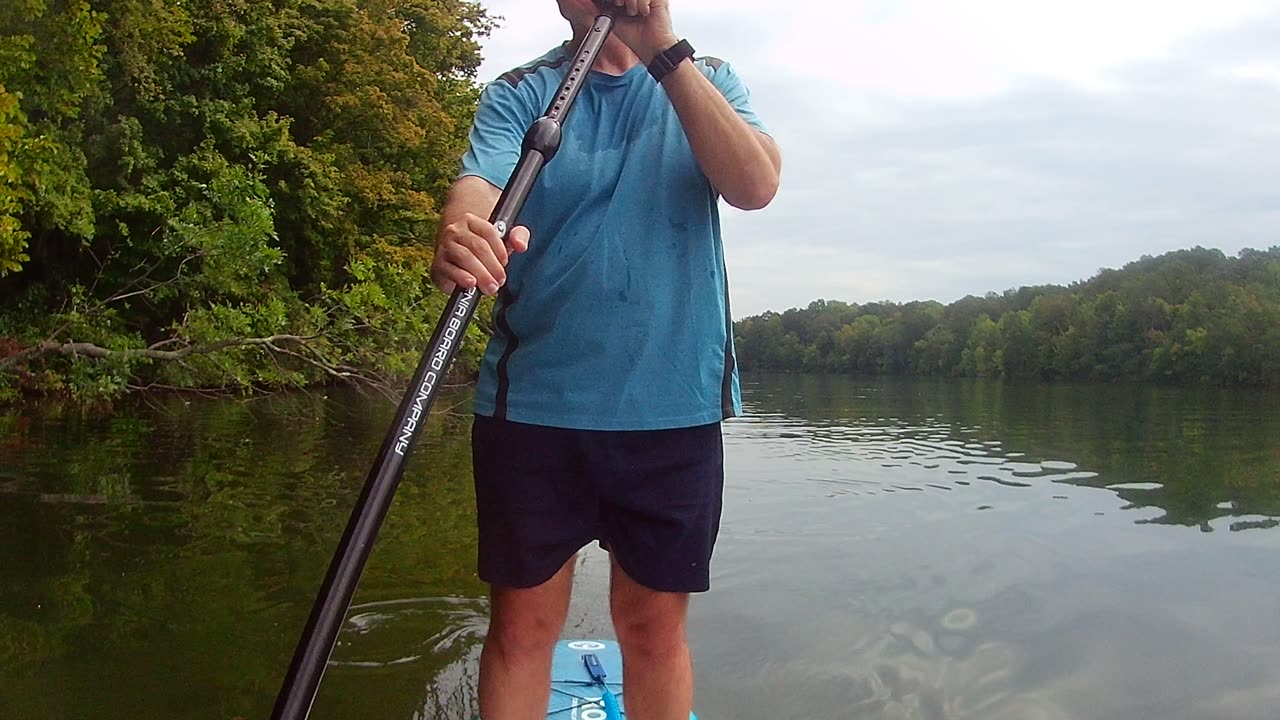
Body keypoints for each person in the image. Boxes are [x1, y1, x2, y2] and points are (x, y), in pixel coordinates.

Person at [430, 1, 780, 717]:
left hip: (671, 407)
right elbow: (480, 189)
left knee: (653, 631)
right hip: (531, 410)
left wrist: (661, 46)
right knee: (522, 629)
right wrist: (462, 229)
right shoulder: (520, 92)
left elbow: (755, 185)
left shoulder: (707, 77)